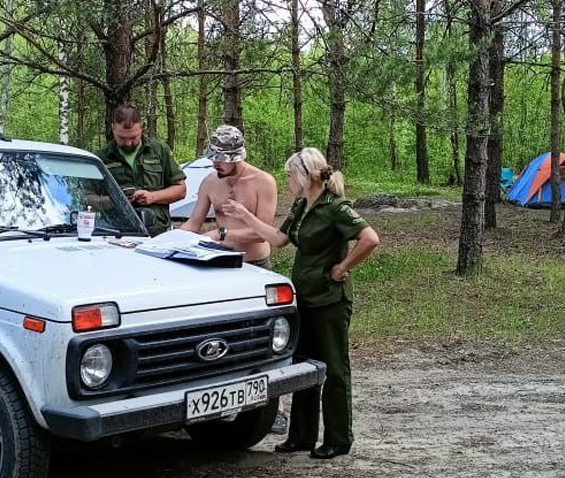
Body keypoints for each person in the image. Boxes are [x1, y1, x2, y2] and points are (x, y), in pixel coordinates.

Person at [222, 147, 379, 459]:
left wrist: (343, 266)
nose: (287, 180)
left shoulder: (336, 207)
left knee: (334, 369)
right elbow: (279, 240)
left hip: (330, 300)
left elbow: (370, 238)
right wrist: (245, 216)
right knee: (303, 366)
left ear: (305, 176)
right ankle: (302, 436)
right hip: (303, 297)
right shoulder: (301, 205)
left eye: (290, 175)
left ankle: (338, 438)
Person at [180, 125, 277, 268]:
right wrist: (172, 240)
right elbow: (193, 223)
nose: (215, 164)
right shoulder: (210, 182)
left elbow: (262, 234)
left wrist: (221, 234)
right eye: (213, 158)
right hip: (221, 260)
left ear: (236, 157)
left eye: (220, 159)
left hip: (255, 263)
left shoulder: (263, 182)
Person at [95, 105, 186, 236]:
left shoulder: (159, 150)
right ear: (113, 128)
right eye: (122, 138)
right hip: (115, 232)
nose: (128, 143)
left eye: (133, 137)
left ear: (142, 127)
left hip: (157, 231)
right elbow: (86, 198)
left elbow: (181, 190)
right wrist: (114, 201)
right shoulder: (101, 158)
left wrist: (152, 197)